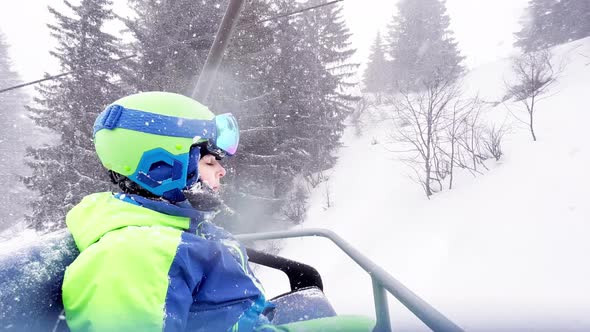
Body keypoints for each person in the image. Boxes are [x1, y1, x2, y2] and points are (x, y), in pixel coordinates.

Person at [61, 91, 374, 332]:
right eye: (210, 162)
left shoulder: (180, 230)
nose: (222, 171)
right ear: (160, 166)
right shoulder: (134, 255)